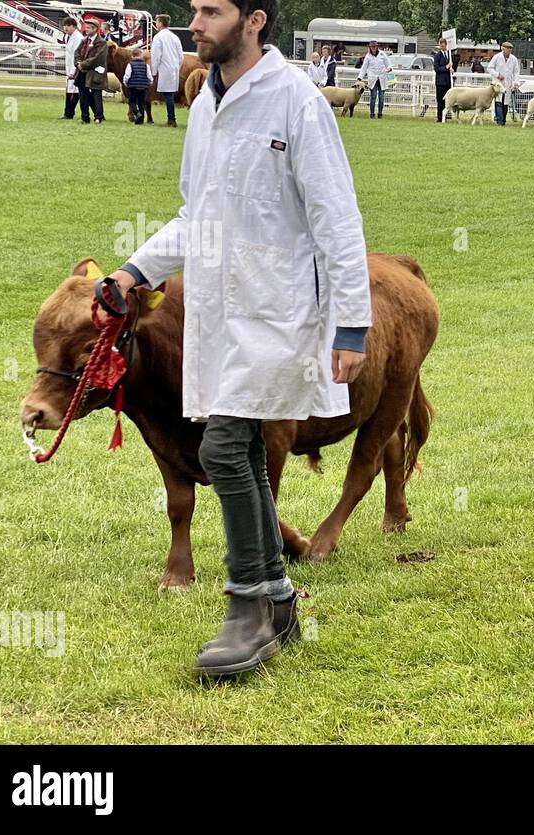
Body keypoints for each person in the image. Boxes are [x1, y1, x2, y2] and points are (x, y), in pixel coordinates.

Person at [106, 0, 370, 677]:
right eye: (195, 9)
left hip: (280, 310)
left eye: (211, 11)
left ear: (253, 20)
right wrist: (134, 271)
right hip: (219, 312)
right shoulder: (205, 106)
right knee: (241, 449)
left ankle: (249, 604)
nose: (194, 23)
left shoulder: (297, 103)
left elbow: (337, 217)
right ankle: (275, 598)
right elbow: (196, 214)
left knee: (223, 447)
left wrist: (352, 322)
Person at [74, 17, 109, 123]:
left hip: (95, 72)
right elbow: (77, 53)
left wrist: (83, 64)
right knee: (82, 95)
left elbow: (98, 58)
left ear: (95, 29)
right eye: (86, 27)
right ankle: (84, 117)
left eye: (89, 28)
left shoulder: (102, 43)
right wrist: (78, 63)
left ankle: (99, 117)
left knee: (96, 94)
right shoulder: (84, 41)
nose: (86, 29)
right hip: (82, 72)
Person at [151, 13, 183, 127]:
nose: (156, 24)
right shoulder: (175, 37)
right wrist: (177, 67)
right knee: (170, 94)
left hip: (165, 68)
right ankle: (171, 118)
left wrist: (154, 72)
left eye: (157, 22)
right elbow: (181, 56)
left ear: (160, 23)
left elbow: (156, 56)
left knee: (168, 94)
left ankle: (171, 119)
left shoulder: (158, 37)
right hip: (174, 68)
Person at [487, 41, 520, 126]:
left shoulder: (513, 59)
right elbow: (489, 68)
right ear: (503, 48)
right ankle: (499, 121)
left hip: (508, 83)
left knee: (506, 103)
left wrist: (515, 82)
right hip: (498, 83)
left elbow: (516, 72)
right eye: (507, 48)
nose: (509, 50)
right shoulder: (497, 57)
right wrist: (497, 75)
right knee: (498, 102)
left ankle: (503, 121)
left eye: (510, 49)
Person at [359, 40, 391, 118]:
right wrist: (359, 78)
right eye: (372, 47)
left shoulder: (382, 54)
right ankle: (372, 113)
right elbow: (364, 68)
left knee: (381, 97)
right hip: (373, 78)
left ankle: (380, 113)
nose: (373, 48)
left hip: (382, 77)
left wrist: (389, 68)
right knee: (373, 96)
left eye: (374, 47)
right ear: (370, 47)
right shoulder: (368, 56)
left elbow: (388, 64)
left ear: (377, 47)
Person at [123, 47, 152, 125]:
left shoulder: (130, 65)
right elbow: (149, 76)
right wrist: (149, 83)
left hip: (133, 87)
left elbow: (127, 75)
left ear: (132, 56)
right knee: (141, 103)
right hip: (143, 87)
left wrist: (125, 82)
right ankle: (140, 121)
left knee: (132, 101)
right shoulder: (146, 65)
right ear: (141, 55)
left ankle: (136, 112)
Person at [61, 18, 83, 119]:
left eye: (68, 25)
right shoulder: (67, 37)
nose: (65, 28)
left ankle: (69, 113)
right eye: (64, 25)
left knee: (74, 91)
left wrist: (73, 71)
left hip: (75, 68)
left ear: (74, 26)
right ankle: (68, 113)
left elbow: (77, 56)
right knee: (71, 90)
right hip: (70, 67)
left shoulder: (78, 38)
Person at [433, 37, 455, 121]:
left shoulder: (449, 55)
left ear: (446, 45)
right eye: (441, 46)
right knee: (440, 100)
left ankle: (446, 116)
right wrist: (446, 67)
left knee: (448, 100)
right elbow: (437, 69)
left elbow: (451, 67)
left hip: (448, 82)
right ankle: (440, 117)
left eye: (443, 46)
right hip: (440, 82)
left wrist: (451, 70)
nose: (442, 47)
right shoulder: (437, 56)